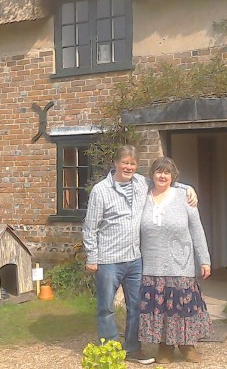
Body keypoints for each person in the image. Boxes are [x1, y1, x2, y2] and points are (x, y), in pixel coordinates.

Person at [82, 146, 197, 365]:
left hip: (135, 259)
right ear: (116, 163)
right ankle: (111, 350)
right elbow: (90, 227)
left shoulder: (140, 183)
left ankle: (134, 349)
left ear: (136, 166)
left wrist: (188, 188)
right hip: (108, 259)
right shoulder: (101, 190)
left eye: (132, 164)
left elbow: (164, 181)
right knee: (106, 307)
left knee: (137, 307)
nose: (128, 167)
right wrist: (92, 257)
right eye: (125, 162)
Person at [137, 156, 212, 364]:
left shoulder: (184, 196)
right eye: (159, 172)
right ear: (152, 174)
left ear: (173, 176)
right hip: (152, 265)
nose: (162, 176)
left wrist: (204, 259)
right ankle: (165, 347)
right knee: (160, 310)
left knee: (181, 308)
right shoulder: (143, 195)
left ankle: (188, 346)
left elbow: (197, 229)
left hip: (181, 263)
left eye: (167, 172)